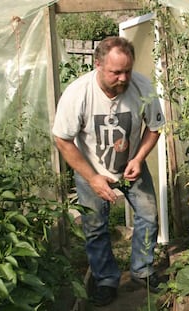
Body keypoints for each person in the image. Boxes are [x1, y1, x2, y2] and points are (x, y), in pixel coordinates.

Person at [52, 36, 165, 307]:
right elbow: (62, 140)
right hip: (91, 169)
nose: (123, 78)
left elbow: (154, 127)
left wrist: (138, 158)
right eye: (116, 72)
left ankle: (142, 270)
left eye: (127, 70)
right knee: (94, 227)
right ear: (98, 64)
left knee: (148, 215)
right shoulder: (78, 93)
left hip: (130, 166)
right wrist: (92, 178)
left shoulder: (141, 86)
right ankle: (105, 279)